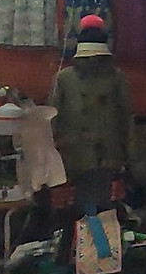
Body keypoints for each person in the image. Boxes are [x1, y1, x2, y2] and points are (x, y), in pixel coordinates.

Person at [48, 16, 135, 210]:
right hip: (96, 158)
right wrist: (128, 160)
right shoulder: (115, 78)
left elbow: (52, 121)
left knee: (85, 210)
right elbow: (127, 121)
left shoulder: (65, 78)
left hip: (83, 159)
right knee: (96, 210)